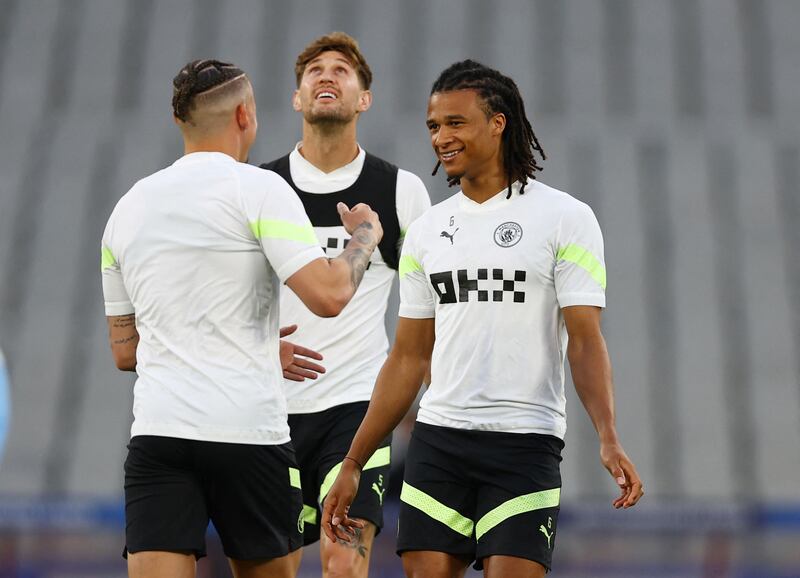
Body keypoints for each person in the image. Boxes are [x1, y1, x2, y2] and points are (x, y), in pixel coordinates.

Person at [322, 60, 644, 578]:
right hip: (439, 443)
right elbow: (407, 357)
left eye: (455, 123)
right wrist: (354, 462)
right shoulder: (427, 232)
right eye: (433, 126)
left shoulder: (566, 218)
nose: (441, 137)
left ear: (498, 123)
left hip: (525, 443)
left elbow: (585, 342)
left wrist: (608, 435)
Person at [100, 59, 383, 578]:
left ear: (180, 122)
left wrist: (233, 344)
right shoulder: (260, 189)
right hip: (248, 435)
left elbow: (125, 352)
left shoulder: (127, 209)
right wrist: (363, 235)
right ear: (244, 116)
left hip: (161, 437)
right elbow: (330, 294)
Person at [258, 32, 431, 578]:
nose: (326, 76)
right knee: (273, 567)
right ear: (296, 97)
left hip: (356, 410)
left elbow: (431, 308)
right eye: (313, 70)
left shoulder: (401, 191)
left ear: (364, 98)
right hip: (268, 410)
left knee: (344, 565)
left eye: (341, 70)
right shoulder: (259, 189)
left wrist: (419, 393)